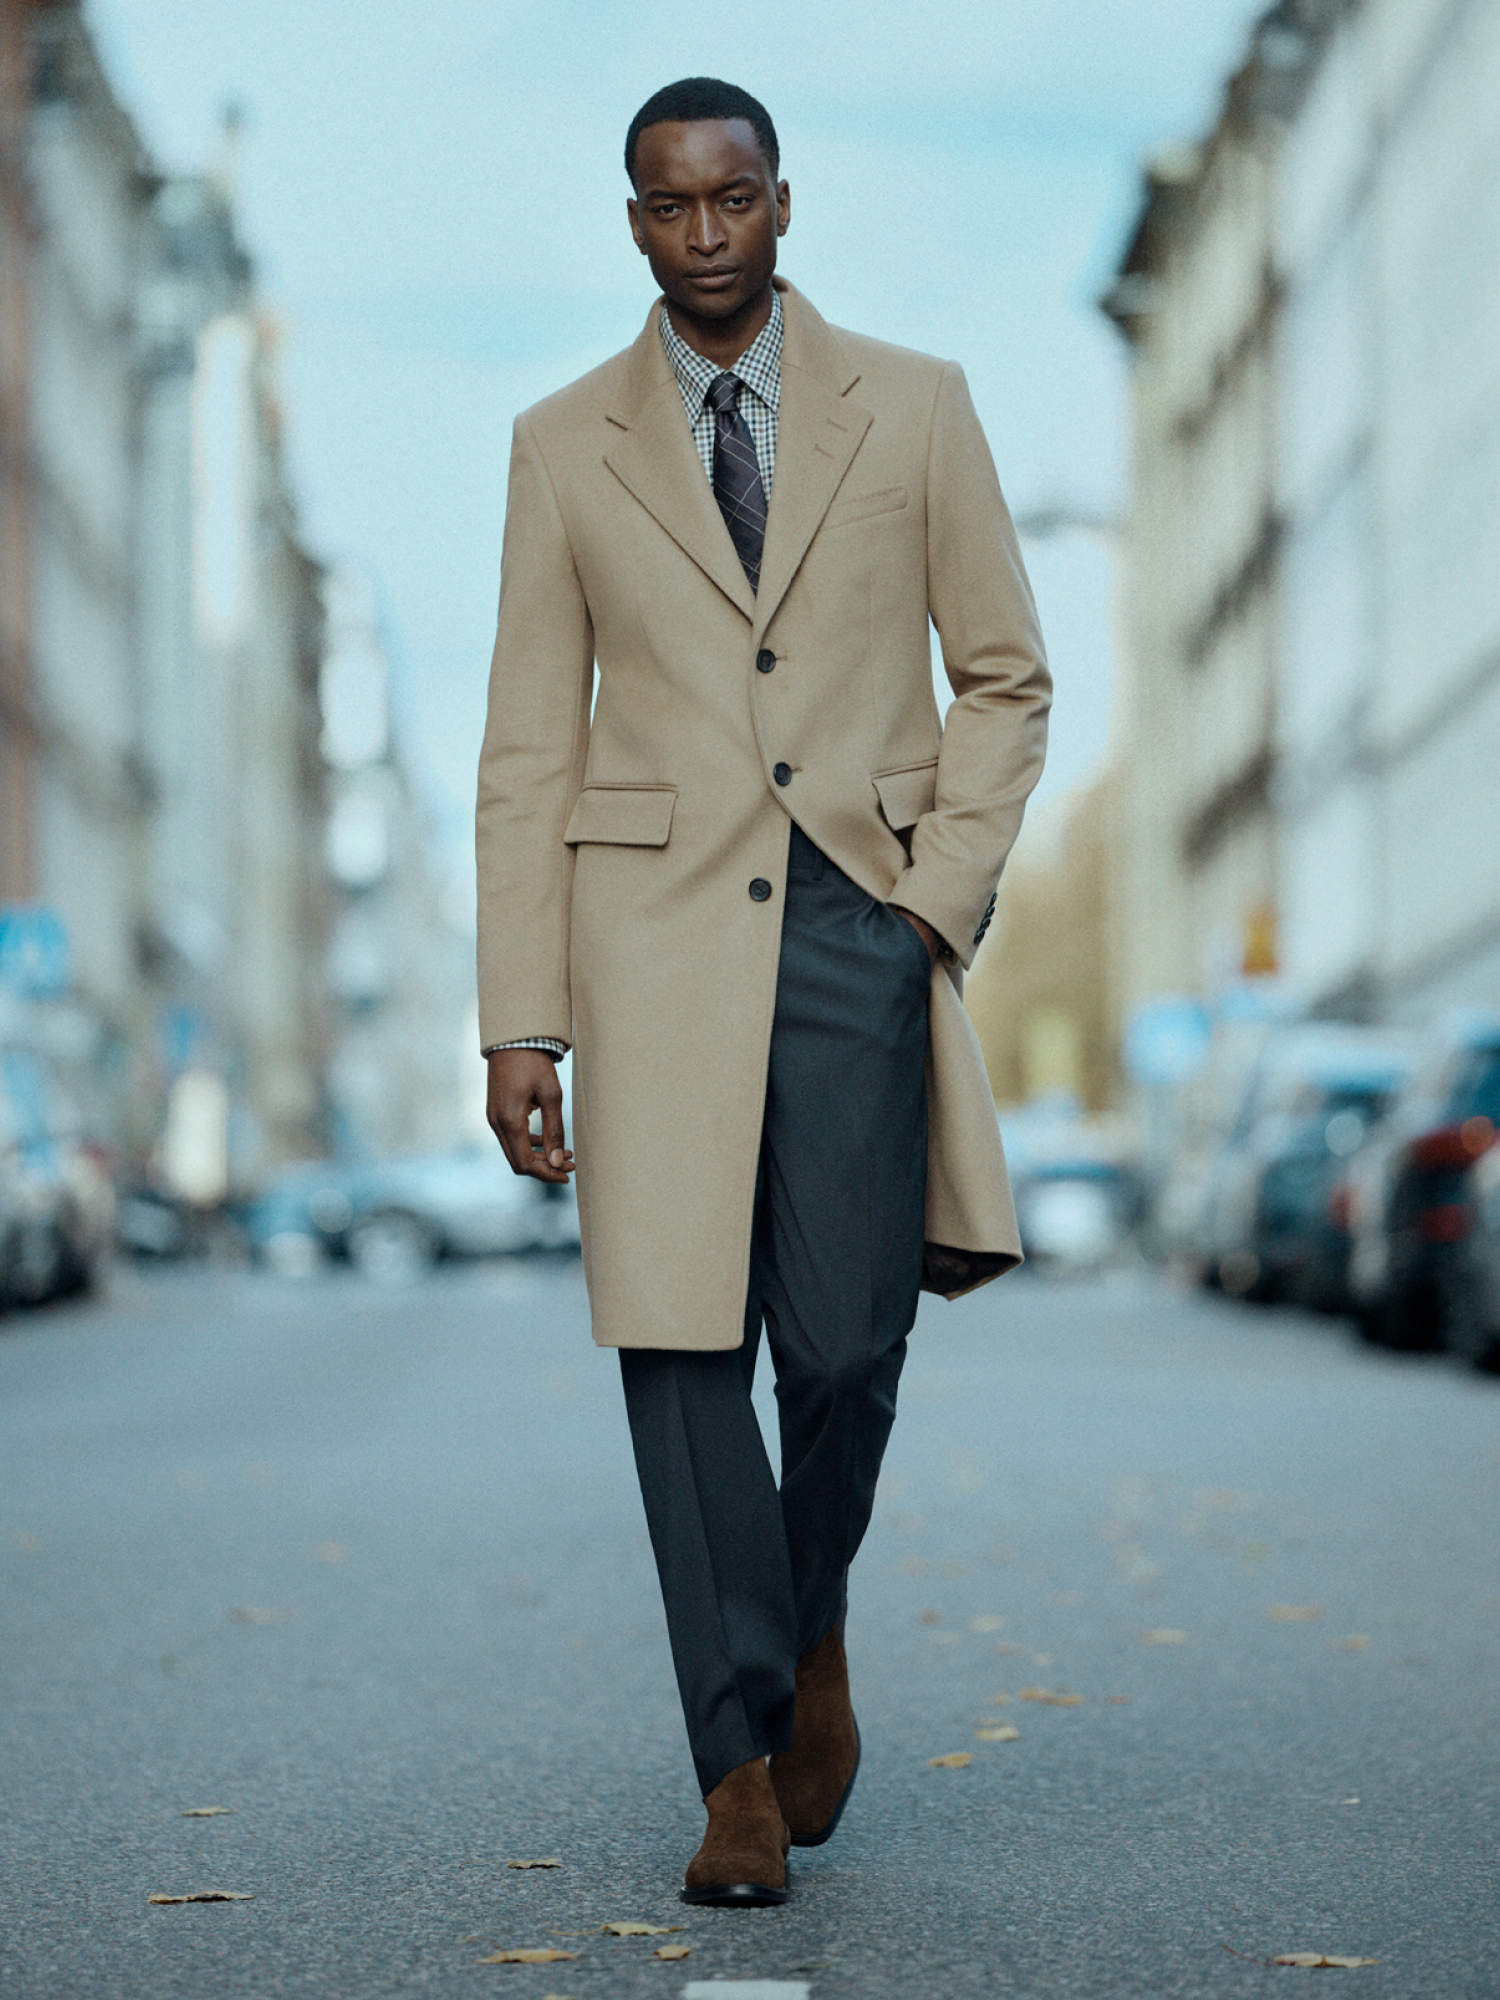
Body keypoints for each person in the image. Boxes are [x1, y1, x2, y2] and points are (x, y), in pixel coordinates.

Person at [475, 76, 1049, 1905]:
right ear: (632, 221)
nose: (703, 234)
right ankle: (735, 1760)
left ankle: (808, 1627)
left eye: (732, 201)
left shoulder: (922, 405)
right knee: (678, 1347)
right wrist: (519, 1017)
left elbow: (1009, 679)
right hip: (645, 940)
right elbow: (522, 749)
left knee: (849, 1342)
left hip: (855, 924)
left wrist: (933, 905)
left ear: (783, 204)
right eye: (667, 207)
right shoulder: (564, 444)